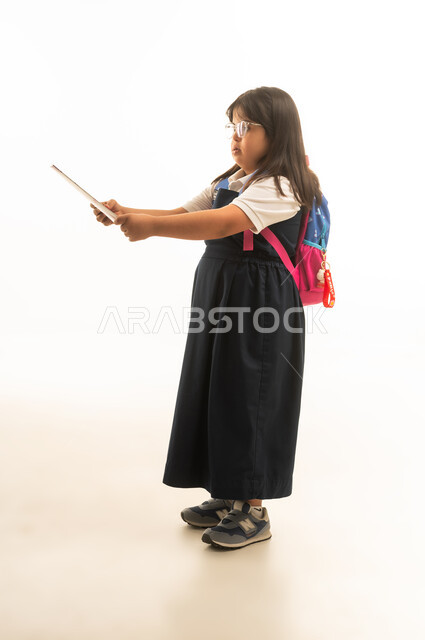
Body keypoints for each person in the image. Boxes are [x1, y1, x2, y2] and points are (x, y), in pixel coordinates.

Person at [91, 86, 323, 550]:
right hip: (221, 293)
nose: (234, 137)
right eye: (231, 126)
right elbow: (184, 213)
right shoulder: (233, 178)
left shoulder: (284, 184)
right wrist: (126, 214)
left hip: (260, 303)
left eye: (245, 126)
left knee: (252, 395)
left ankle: (253, 509)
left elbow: (221, 224)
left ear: (275, 132)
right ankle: (229, 491)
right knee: (218, 386)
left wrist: (150, 228)